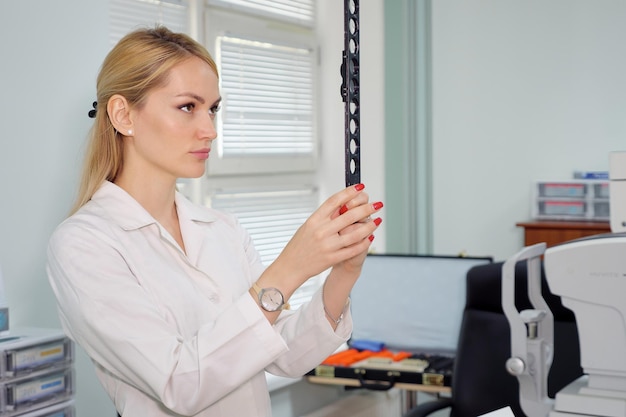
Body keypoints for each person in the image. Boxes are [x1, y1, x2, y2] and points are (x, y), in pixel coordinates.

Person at [46, 26, 383, 417]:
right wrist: (291, 267)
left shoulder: (222, 229)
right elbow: (179, 383)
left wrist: (343, 272)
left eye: (213, 108)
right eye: (188, 107)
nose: (210, 130)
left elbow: (284, 356)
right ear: (123, 115)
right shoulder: (83, 245)